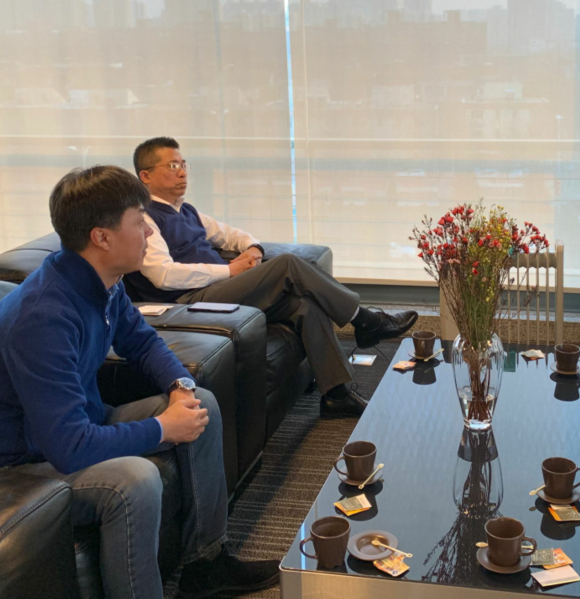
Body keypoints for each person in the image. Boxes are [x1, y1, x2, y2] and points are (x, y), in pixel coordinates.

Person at [0, 166, 279, 599]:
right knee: (132, 481)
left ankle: (206, 565)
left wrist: (180, 387)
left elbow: (142, 342)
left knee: (202, 405)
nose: (150, 231)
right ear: (101, 237)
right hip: (6, 468)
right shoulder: (42, 317)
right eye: (139, 222)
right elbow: (70, 448)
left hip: (64, 432)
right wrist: (163, 428)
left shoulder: (102, 283)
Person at [125, 136, 418, 419]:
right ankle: (365, 320)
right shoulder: (145, 218)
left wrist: (254, 248)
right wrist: (230, 271)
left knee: (305, 304)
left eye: (183, 164)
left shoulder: (186, 211)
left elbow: (231, 235)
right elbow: (164, 275)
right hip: (187, 303)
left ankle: (336, 396)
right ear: (145, 176)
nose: (182, 172)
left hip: (219, 290)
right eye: (172, 166)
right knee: (288, 264)